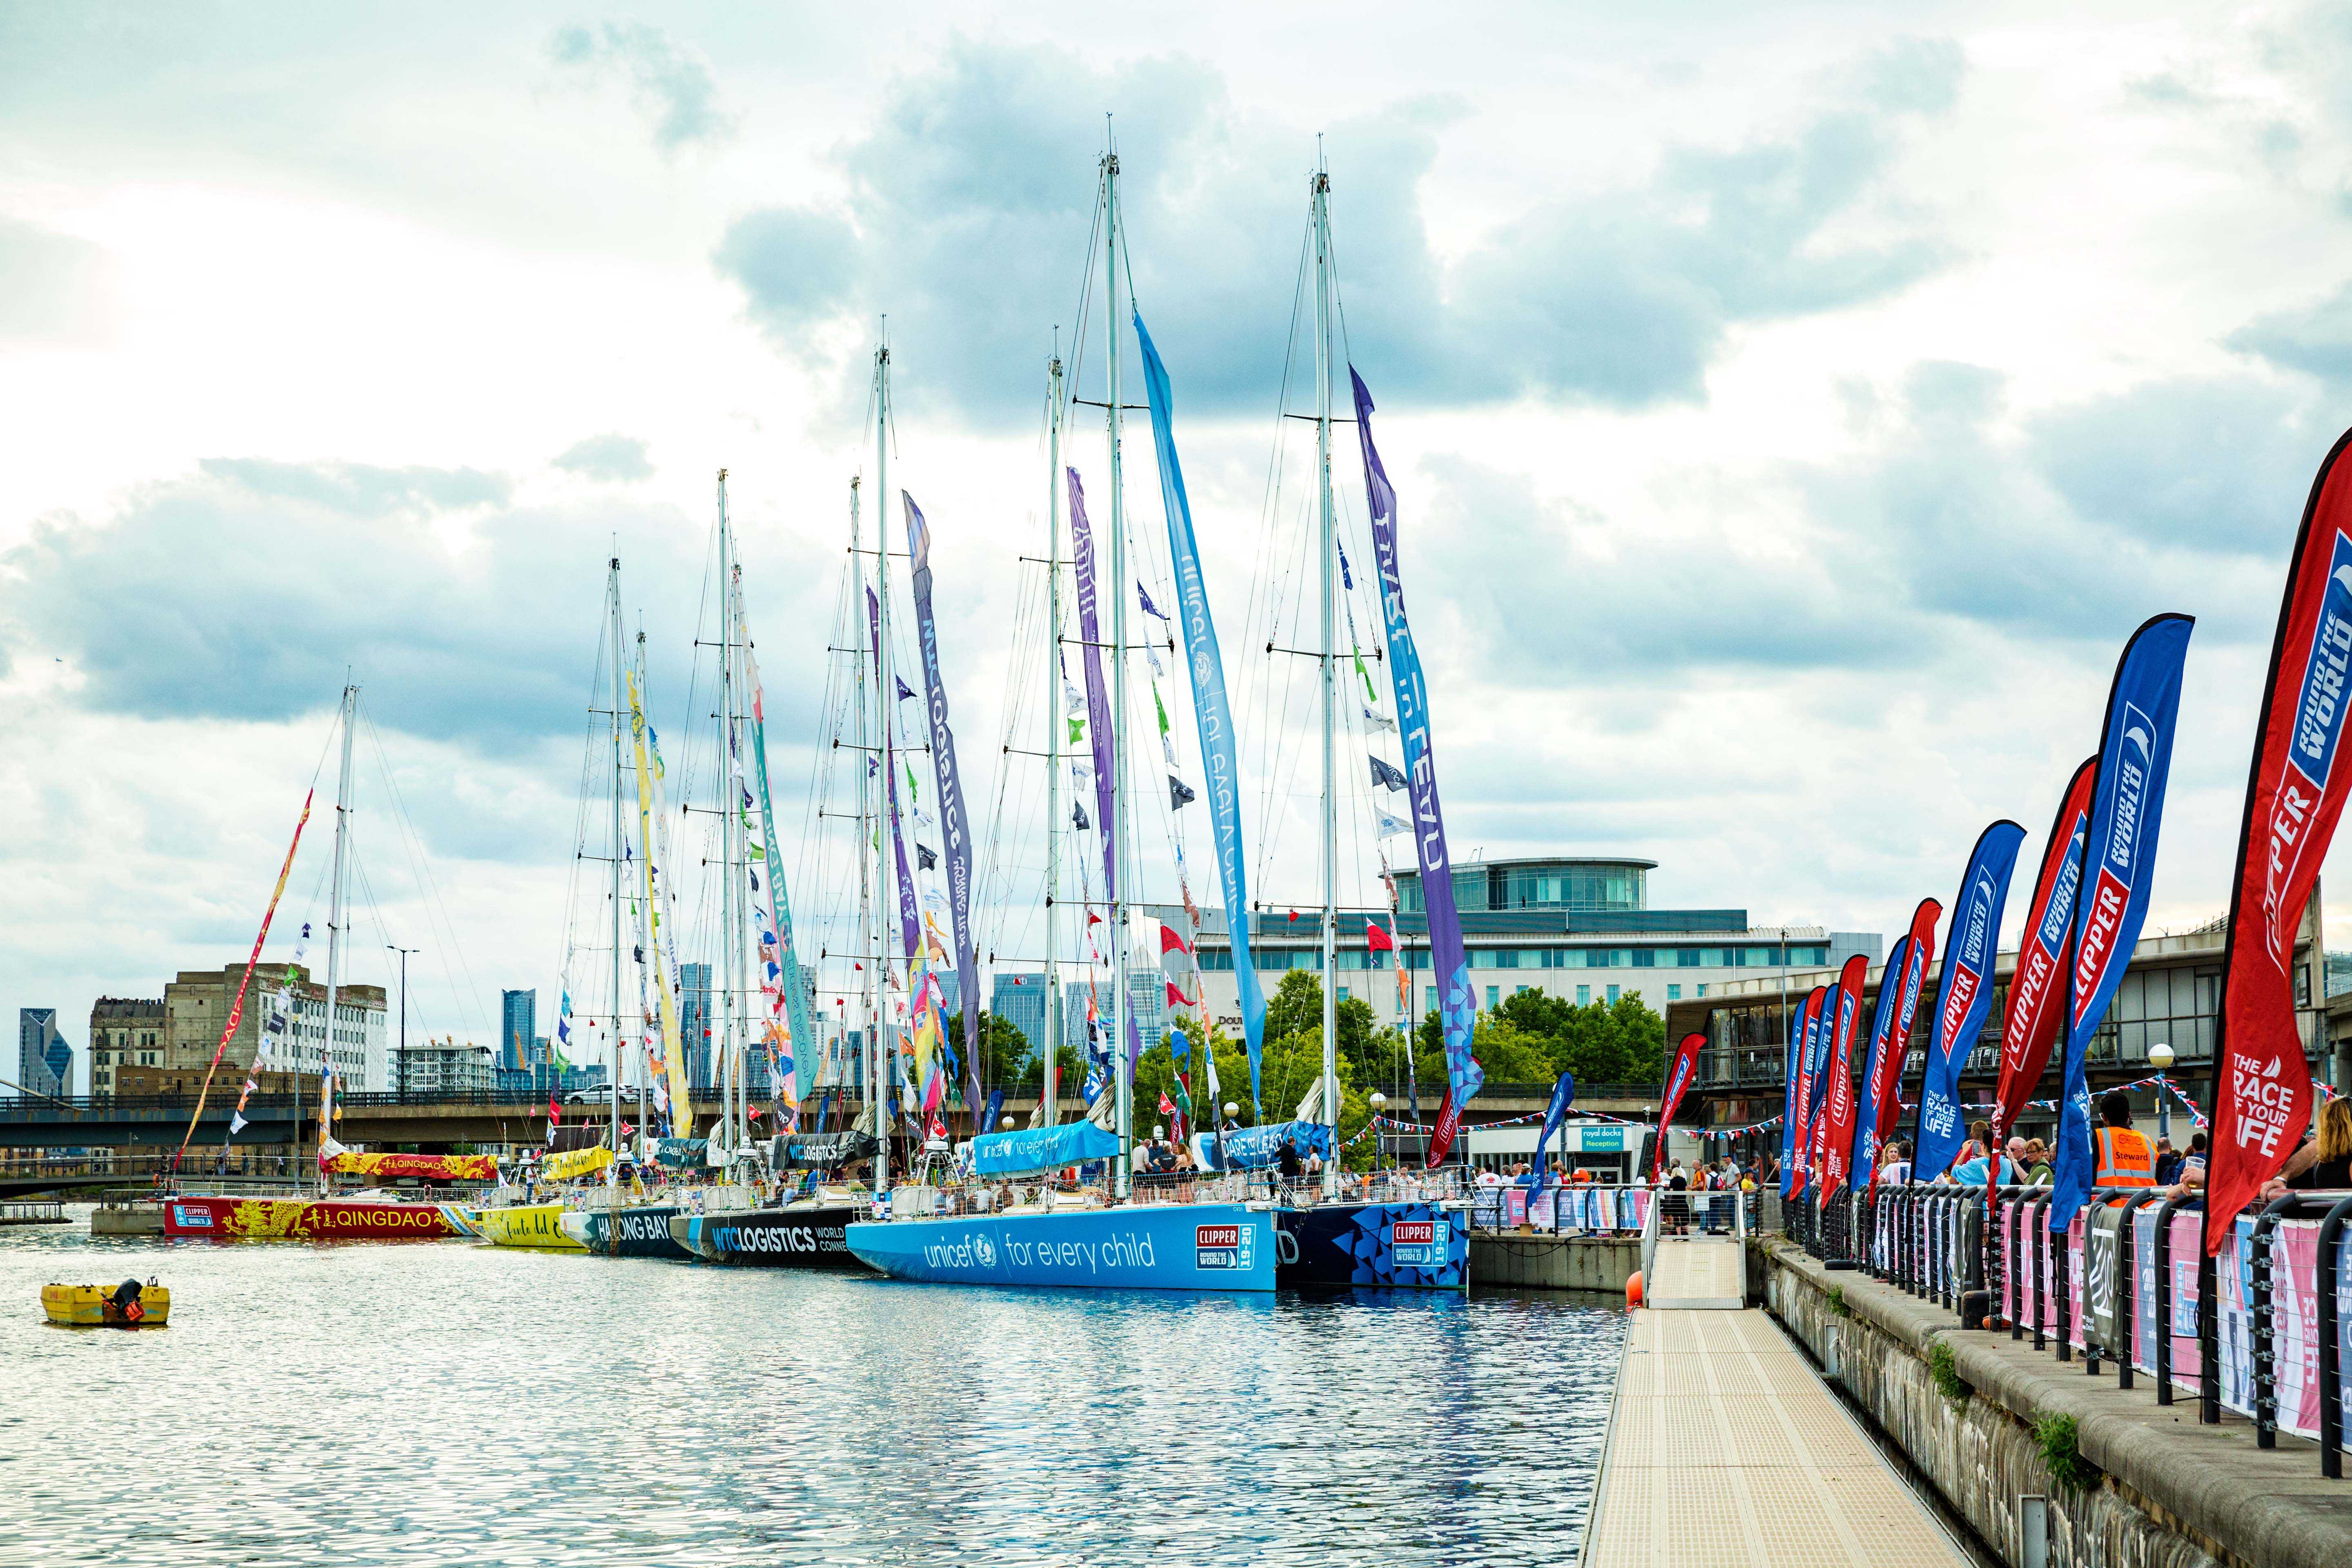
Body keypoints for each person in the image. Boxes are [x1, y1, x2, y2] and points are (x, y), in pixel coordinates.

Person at [2260, 1097, 2352, 1198]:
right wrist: (2281, 1178)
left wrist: (2282, 1178)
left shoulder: (2325, 1156)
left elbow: (2310, 1151)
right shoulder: (2329, 1153)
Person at [2092, 1091, 2156, 1189]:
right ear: (2129, 1115)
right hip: (2146, 1203)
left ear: (2104, 1118)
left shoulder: (2098, 1137)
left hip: (2110, 1203)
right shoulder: (2148, 1141)